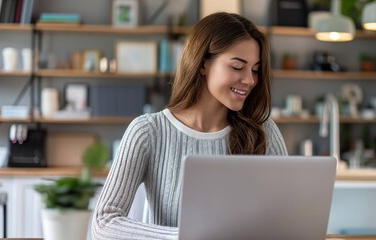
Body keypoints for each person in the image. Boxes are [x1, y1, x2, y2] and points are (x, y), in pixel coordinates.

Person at [91, 12, 288, 239]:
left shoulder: (263, 131)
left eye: (255, 69)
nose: (250, 80)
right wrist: (184, 236)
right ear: (203, 64)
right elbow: (104, 223)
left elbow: (285, 217)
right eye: (237, 67)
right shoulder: (148, 132)